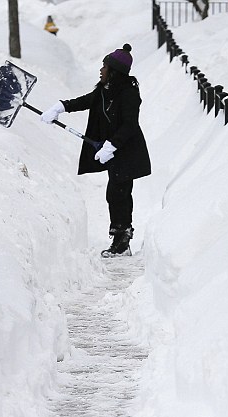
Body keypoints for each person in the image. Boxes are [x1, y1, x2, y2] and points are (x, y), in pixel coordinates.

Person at [40, 44, 151, 257]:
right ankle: (121, 238)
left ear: (114, 71)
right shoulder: (104, 90)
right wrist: (61, 107)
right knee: (115, 194)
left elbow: (130, 124)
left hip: (127, 151)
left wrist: (112, 145)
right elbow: (86, 101)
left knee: (119, 193)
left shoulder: (128, 93)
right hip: (115, 151)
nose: (101, 70)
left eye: (105, 67)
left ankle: (122, 240)